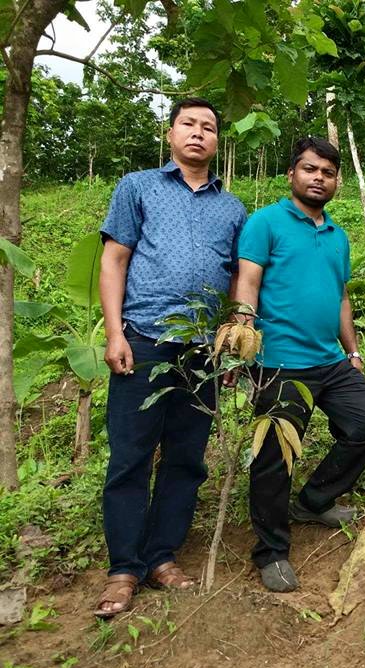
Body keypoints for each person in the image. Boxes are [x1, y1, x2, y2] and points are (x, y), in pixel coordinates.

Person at [95, 98, 247, 617]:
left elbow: (236, 278)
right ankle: (123, 569)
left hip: (203, 351)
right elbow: (115, 260)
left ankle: (162, 557)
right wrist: (114, 334)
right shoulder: (138, 187)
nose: (199, 133)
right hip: (144, 340)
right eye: (189, 124)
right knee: (130, 456)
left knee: (186, 458)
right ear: (171, 133)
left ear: (218, 140)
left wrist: (232, 342)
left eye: (209, 127)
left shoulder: (233, 208)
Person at [233, 136, 365, 593]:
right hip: (279, 362)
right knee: (274, 458)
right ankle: (271, 551)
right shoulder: (266, 223)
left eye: (328, 172)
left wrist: (352, 352)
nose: (319, 178)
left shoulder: (338, 236)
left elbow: (340, 297)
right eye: (310, 169)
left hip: (329, 360)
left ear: (337, 181)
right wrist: (242, 334)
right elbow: (248, 281)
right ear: (292, 174)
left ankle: (314, 501)